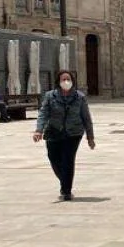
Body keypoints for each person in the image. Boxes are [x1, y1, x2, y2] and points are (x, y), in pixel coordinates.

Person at [33, 70, 95, 201]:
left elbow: (86, 118)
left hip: (74, 133)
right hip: (54, 131)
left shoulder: (80, 97)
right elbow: (43, 114)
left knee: (68, 159)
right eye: (63, 79)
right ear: (58, 82)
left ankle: (66, 190)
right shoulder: (50, 96)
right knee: (53, 158)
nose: (66, 82)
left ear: (72, 81)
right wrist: (39, 130)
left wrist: (90, 137)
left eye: (68, 79)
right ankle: (64, 180)